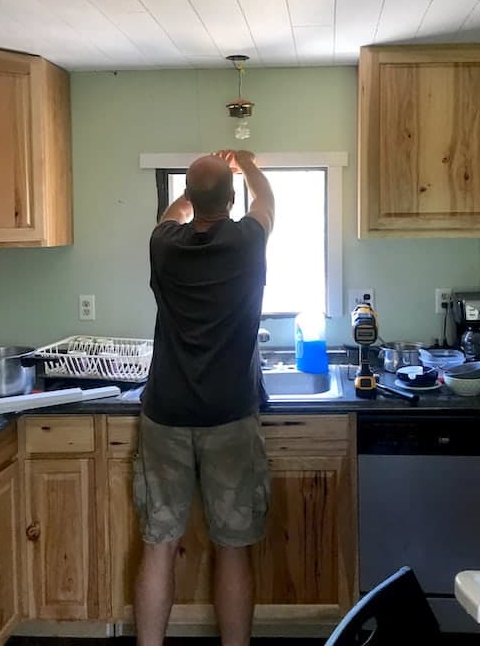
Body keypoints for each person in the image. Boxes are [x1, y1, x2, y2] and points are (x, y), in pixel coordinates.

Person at [133, 149, 275, 646]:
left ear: (191, 198)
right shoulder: (247, 242)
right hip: (229, 416)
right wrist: (247, 164)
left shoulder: (164, 244)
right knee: (233, 548)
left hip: (166, 415)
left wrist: (192, 193)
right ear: (231, 199)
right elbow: (266, 203)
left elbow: (171, 216)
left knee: (158, 544)